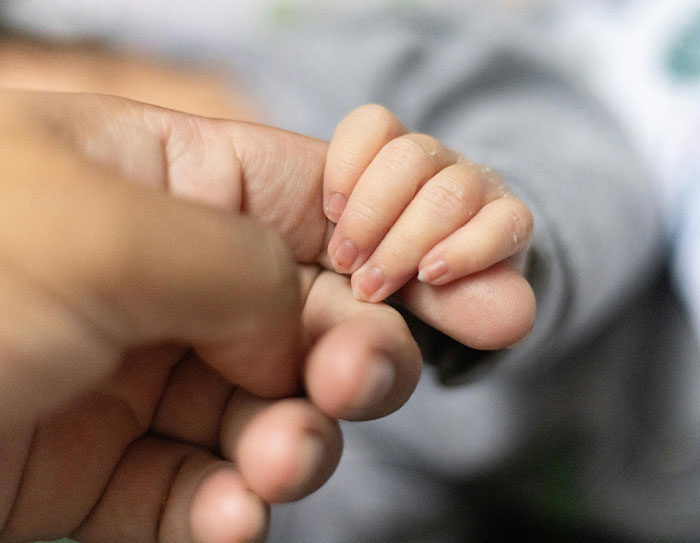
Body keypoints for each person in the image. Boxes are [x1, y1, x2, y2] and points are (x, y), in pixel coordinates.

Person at [2, 2, 690, 542]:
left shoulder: (344, 77)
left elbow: (583, 138)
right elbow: (387, 510)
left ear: (104, 61)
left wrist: (495, 218)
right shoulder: (198, 403)